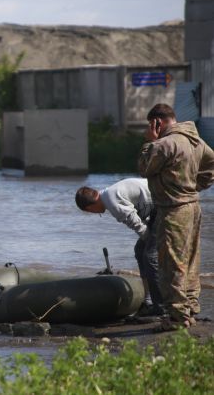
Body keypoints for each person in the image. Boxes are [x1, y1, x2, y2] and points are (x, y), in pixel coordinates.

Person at [138, 103, 214, 329]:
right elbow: (211, 166)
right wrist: (193, 188)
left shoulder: (164, 144)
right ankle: (189, 308)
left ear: (157, 123)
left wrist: (148, 141)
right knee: (190, 260)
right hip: (193, 206)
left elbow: (144, 167)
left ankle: (177, 318)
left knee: (171, 263)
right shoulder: (196, 141)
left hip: (173, 209)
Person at [75, 178, 163, 316]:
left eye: (91, 212)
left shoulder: (113, 202)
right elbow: (142, 217)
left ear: (89, 208)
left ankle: (161, 308)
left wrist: (154, 244)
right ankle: (148, 301)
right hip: (157, 207)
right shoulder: (108, 194)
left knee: (150, 257)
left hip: (166, 205)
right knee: (140, 251)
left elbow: (139, 226)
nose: (95, 213)